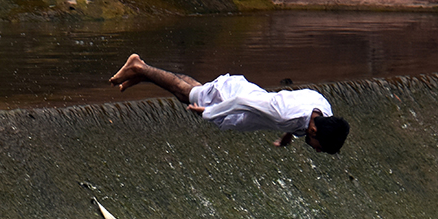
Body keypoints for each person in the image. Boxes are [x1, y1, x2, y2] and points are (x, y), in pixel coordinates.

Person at [109, 54, 349, 154]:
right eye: (320, 146)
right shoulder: (285, 115)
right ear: (314, 130)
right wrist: (210, 113)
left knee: (196, 89)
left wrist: (289, 135)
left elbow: (299, 111)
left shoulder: (322, 108)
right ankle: (139, 66)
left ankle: (145, 75)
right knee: (186, 94)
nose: (317, 150)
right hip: (233, 98)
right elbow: (242, 102)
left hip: (246, 96)